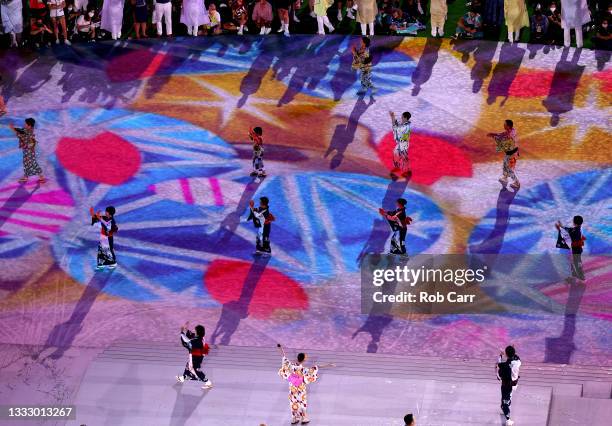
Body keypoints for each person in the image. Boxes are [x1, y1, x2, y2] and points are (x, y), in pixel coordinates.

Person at [277, 344, 334, 425]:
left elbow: (284, 357)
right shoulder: (303, 370)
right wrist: (328, 365)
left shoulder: (290, 366)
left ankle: (294, 419)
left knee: (293, 403)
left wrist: (280, 348)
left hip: (292, 389)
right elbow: (315, 368)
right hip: (301, 389)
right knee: (302, 403)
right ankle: (304, 418)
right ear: (304, 360)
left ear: (297, 358)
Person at [176, 323, 213, 389]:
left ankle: (208, 382)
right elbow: (192, 336)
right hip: (197, 356)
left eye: (195, 330)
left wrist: (182, 332)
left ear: (198, 333)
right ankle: (183, 377)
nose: (194, 331)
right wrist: (186, 330)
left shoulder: (196, 342)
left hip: (196, 357)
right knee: (188, 365)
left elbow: (186, 342)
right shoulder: (200, 338)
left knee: (195, 371)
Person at [9, 118, 45, 184]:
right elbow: (21, 130)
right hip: (28, 149)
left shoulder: (28, 132)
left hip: (29, 150)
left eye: (25, 124)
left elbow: (20, 133)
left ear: (29, 126)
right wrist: (14, 128)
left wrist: (12, 128)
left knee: (31, 163)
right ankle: (34, 177)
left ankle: (38, 177)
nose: (24, 124)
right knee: (28, 163)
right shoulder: (29, 130)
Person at [487, 119, 520, 190]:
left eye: (505, 124)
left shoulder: (509, 135)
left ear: (508, 126)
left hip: (512, 154)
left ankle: (517, 182)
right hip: (511, 152)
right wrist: (493, 134)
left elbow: (500, 140)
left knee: (510, 169)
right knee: (505, 163)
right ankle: (505, 177)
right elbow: (502, 134)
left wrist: (493, 136)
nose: (504, 125)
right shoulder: (512, 130)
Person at [496, 345, 521, 426]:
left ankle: (508, 420)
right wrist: (511, 351)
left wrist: (500, 355)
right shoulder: (518, 362)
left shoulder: (503, 366)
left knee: (505, 404)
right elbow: (516, 357)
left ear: (506, 354)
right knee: (508, 397)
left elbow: (499, 375)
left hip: (507, 386)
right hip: (514, 384)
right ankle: (505, 404)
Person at [556, 216, 586, 282]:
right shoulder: (578, 228)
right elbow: (570, 230)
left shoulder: (576, 231)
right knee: (575, 262)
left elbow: (568, 233)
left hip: (576, 249)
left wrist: (560, 228)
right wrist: (562, 226)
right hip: (577, 249)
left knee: (576, 262)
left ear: (574, 222)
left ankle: (579, 276)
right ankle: (576, 275)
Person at [389, 111, 411, 180]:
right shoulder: (404, 124)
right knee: (396, 153)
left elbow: (396, 128)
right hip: (400, 143)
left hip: (403, 143)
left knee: (404, 157)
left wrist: (393, 118)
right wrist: (393, 117)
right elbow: (396, 127)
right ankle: (397, 168)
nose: (401, 118)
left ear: (405, 117)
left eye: (402, 117)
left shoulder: (406, 126)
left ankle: (407, 171)